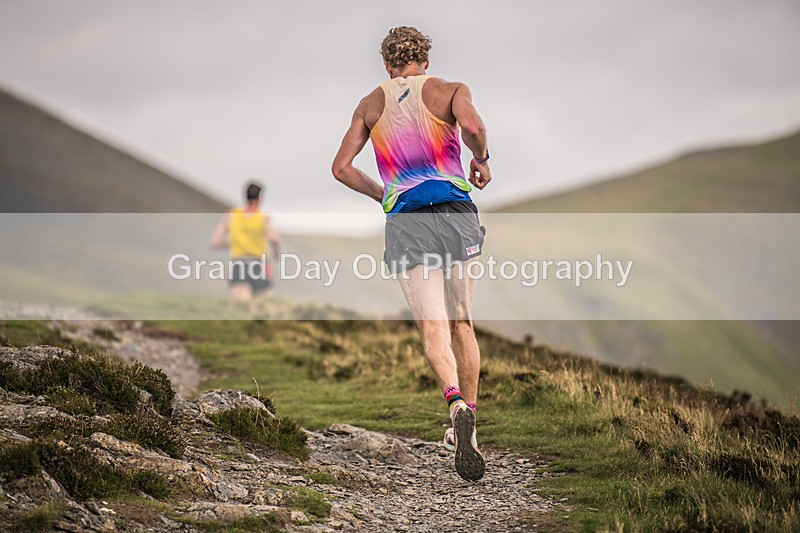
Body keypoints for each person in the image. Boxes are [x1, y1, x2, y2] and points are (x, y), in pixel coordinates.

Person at [331, 26, 492, 481]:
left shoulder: (369, 104)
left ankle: (454, 402)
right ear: (425, 59)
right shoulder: (450, 90)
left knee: (433, 325)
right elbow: (475, 128)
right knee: (462, 321)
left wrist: (386, 194)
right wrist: (481, 160)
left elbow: (341, 169)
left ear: (386, 65)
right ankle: (470, 426)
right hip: (456, 210)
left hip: (407, 219)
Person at [210, 181, 281, 301]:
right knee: (264, 308)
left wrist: (231, 244)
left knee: (241, 311)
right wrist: (276, 253)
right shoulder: (263, 218)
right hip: (259, 265)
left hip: (238, 266)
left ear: (245, 197)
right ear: (259, 198)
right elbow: (274, 239)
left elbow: (215, 242)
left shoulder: (231, 215)